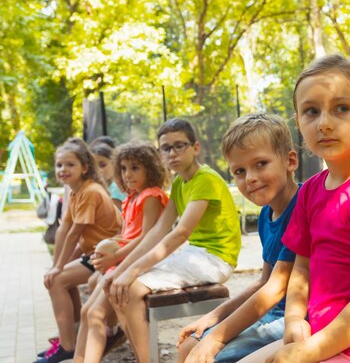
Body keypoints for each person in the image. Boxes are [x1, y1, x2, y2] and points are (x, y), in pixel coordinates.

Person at [242, 55, 350, 363]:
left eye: (342, 108)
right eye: (311, 111)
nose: (324, 123)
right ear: (298, 122)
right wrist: (295, 319)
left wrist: (309, 350)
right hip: (316, 334)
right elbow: (301, 269)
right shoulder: (310, 191)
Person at [104, 118, 242, 363]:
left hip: (214, 258)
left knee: (132, 287)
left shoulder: (205, 178)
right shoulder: (179, 182)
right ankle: (143, 355)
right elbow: (158, 230)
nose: (173, 153)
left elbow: (180, 233)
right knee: (114, 283)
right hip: (195, 254)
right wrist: (122, 269)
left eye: (180, 145)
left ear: (195, 148)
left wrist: (130, 272)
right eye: (166, 148)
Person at [177, 113, 300, 363]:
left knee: (213, 358)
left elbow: (277, 288)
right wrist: (213, 317)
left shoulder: (301, 209)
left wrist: (217, 338)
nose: (250, 178)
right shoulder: (267, 214)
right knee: (188, 346)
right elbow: (263, 281)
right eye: (239, 171)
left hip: (295, 317)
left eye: (260, 164)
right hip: (270, 311)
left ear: (290, 160)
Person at [73, 142, 169, 363]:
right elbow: (126, 233)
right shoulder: (132, 197)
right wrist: (104, 251)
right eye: (124, 168)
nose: (128, 174)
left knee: (96, 315)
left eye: (135, 168)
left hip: (134, 261)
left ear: (150, 168)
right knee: (87, 312)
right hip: (121, 260)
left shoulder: (151, 195)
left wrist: (115, 256)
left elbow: (148, 236)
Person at [36, 138, 122, 363]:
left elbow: (75, 233)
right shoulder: (75, 192)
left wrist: (57, 269)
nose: (63, 169)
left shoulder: (90, 191)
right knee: (58, 279)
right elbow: (63, 230)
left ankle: (67, 345)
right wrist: (56, 266)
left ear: (84, 167)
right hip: (93, 254)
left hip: (109, 255)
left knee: (58, 281)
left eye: (70, 164)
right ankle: (70, 337)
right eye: (59, 165)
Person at [90, 137, 126, 210]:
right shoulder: (99, 187)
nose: (98, 170)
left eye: (102, 165)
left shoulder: (116, 189)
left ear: (114, 163)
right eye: (93, 166)